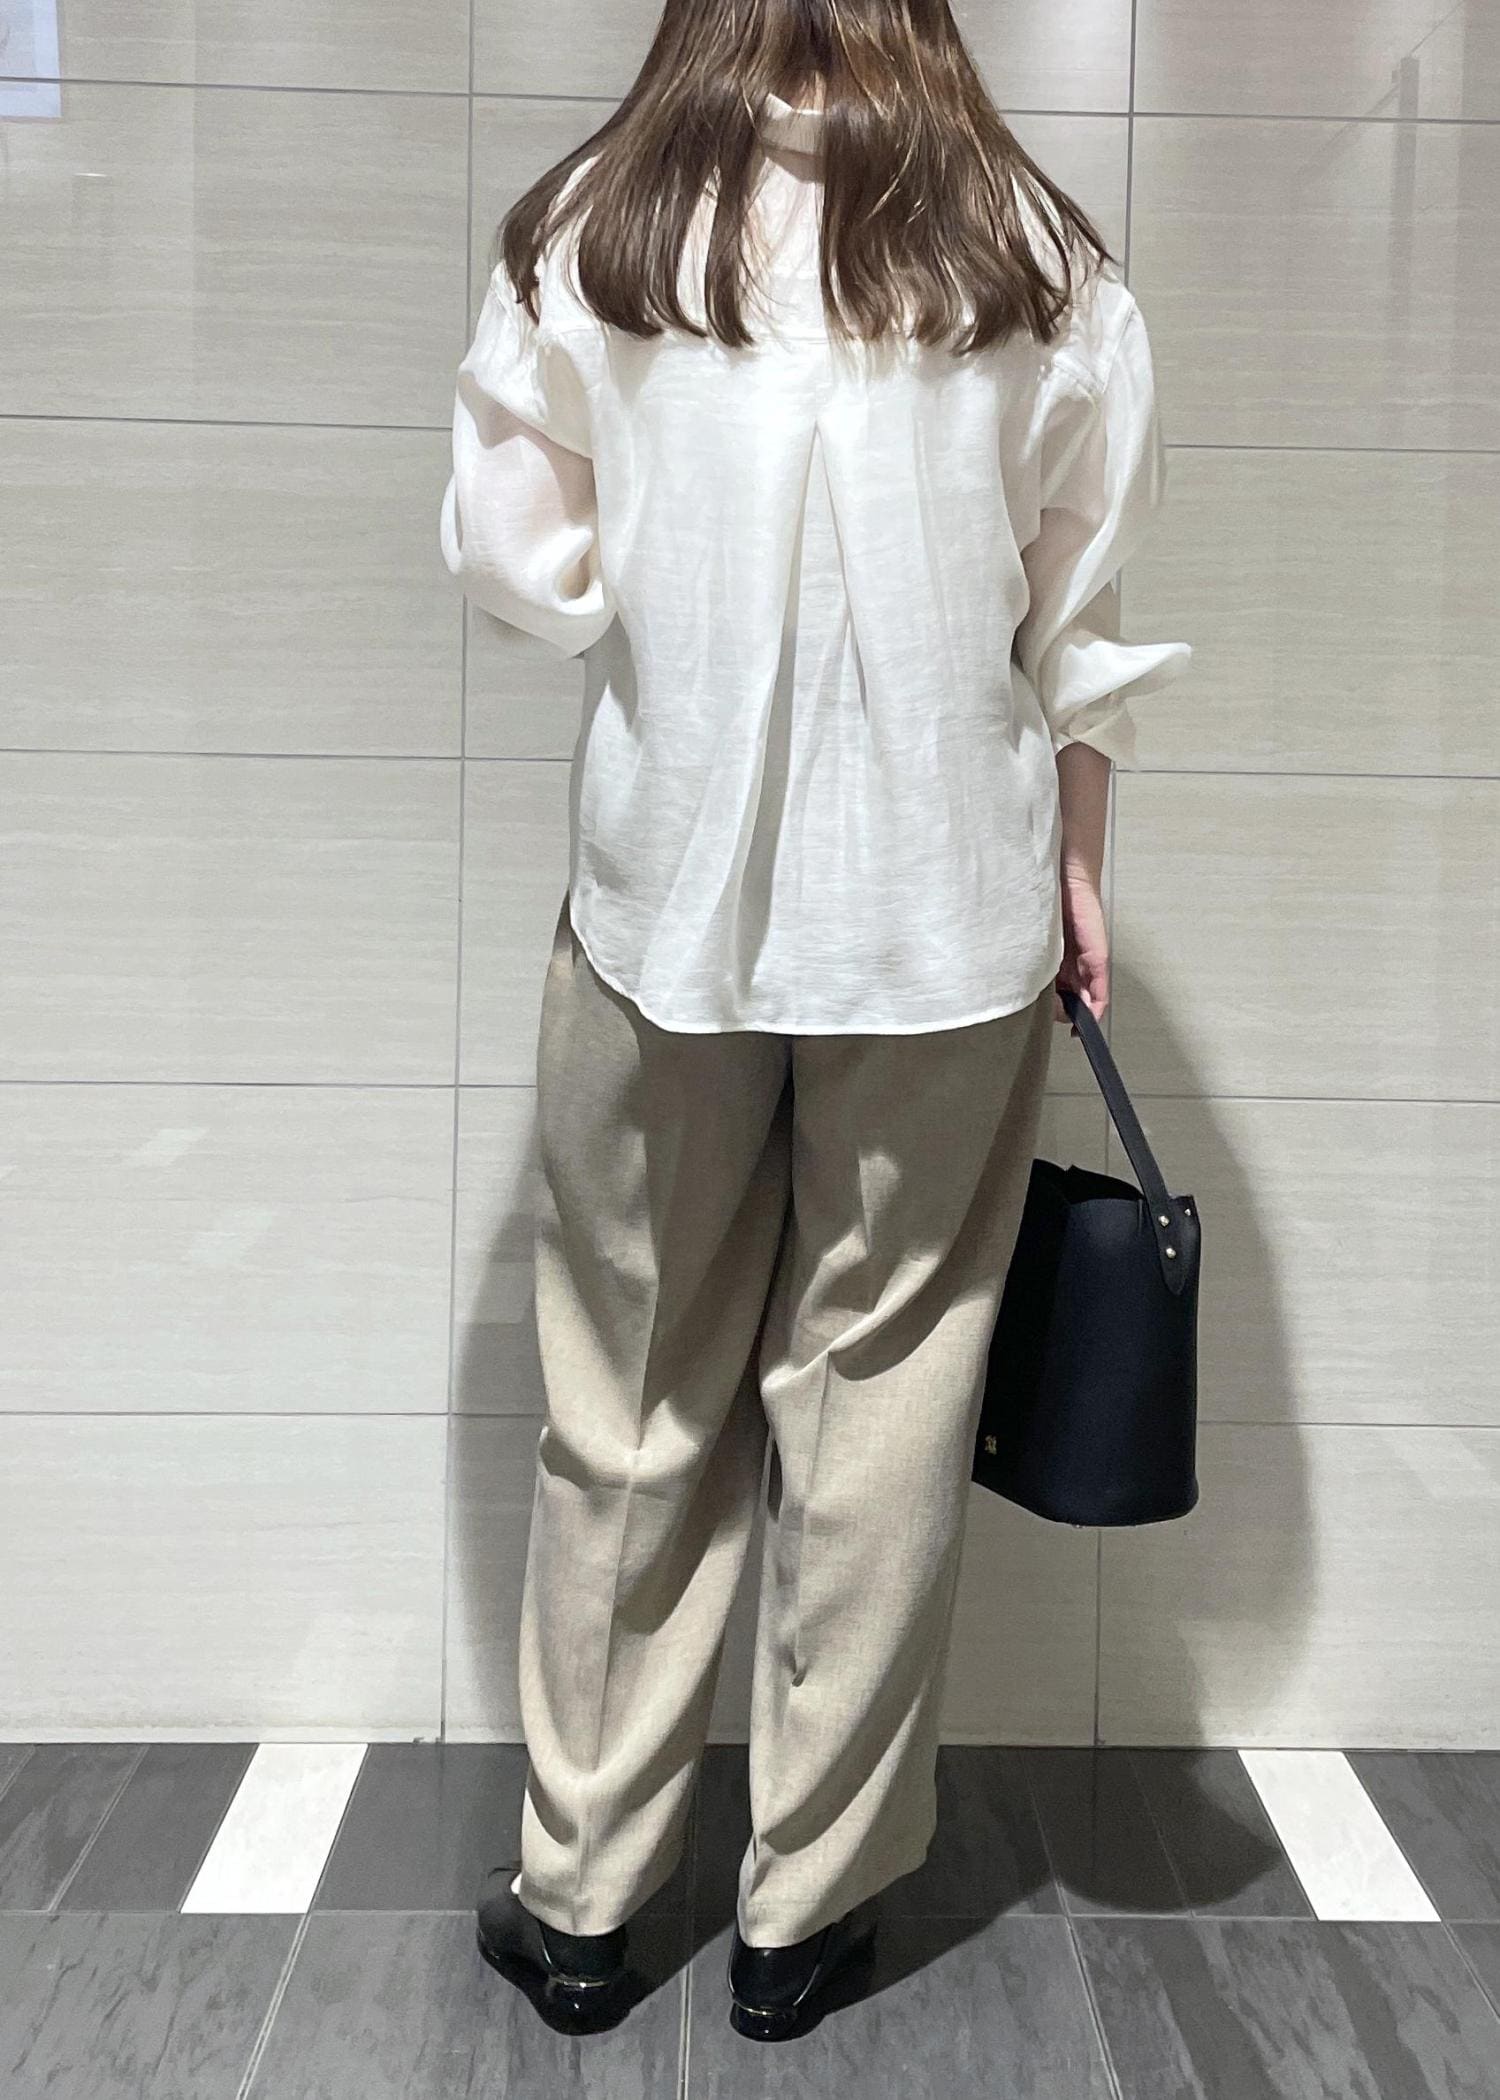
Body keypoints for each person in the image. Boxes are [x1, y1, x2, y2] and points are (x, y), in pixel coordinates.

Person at [439, 0, 1190, 2044]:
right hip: (945, 912)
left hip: (659, 906)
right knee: (881, 1404)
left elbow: (521, 572)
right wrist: (1082, 863)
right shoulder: (1032, 246)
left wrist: (681, 594)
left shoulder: (596, 225)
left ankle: (583, 1901)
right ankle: (807, 1914)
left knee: (628, 1398)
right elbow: (1080, 614)